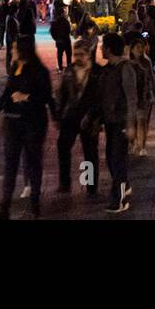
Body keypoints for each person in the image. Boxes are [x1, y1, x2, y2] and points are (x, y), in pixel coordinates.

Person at [0, 36, 54, 219]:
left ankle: (35, 203)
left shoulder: (39, 71)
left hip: (33, 122)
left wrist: (26, 98)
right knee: (10, 165)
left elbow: (47, 96)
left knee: (33, 163)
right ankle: (4, 208)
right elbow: (7, 93)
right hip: (12, 123)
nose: (12, 51)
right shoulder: (16, 68)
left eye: (15, 48)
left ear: (24, 51)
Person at [55, 39, 102, 197]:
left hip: (89, 117)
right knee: (63, 146)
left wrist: (95, 116)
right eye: (75, 54)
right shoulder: (69, 70)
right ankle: (65, 182)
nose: (77, 58)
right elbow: (62, 93)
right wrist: (59, 113)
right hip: (71, 116)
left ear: (88, 54)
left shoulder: (97, 71)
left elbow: (100, 97)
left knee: (89, 152)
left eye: (81, 54)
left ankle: (90, 185)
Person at [98, 33, 138, 213]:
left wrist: (130, 125)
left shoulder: (125, 68)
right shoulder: (107, 69)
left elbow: (131, 98)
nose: (100, 49)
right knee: (110, 158)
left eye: (102, 46)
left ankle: (119, 200)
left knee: (117, 161)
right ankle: (124, 184)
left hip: (121, 121)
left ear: (108, 48)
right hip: (110, 122)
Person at [129, 34, 155, 156]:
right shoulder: (127, 63)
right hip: (131, 97)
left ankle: (142, 146)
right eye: (137, 47)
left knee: (142, 121)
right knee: (132, 122)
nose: (139, 49)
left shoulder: (146, 62)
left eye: (141, 47)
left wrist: (153, 94)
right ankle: (133, 143)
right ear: (132, 49)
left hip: (144, 96)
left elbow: (151, 79)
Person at [51, 3, 73, 71]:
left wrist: (56, 39)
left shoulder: (54, 21)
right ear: (62, 13)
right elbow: (69, 30)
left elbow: (52, 32)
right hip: (66, 40)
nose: (66, 13)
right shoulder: (66, 21)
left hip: (59, 41)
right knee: (68, 55)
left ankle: (60, 68)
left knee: (60, 55)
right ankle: (68, 68)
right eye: (64, 12)